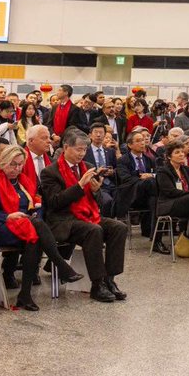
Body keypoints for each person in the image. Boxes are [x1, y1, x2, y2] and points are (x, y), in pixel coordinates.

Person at [0, 145, 84, 311]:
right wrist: (7, 216)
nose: (16, 169)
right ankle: (61, 266)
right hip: (0, 227)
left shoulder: (25, 182)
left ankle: (25, 295)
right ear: (2, 163)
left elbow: (37, 205)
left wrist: (33, 216)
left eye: (19, 165)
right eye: (12, 164)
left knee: (35, 237)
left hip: (25, 226)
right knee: (36, 229)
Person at [39, 129, 129, 303]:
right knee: (93, 230)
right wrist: (79, 186)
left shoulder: (87, 167)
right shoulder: (50, 172)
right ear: (66, 147)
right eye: (78, 149)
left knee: (119, 227)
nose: (82, 153)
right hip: (63, 220)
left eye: (84, 150)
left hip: (87, 215)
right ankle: (97, 284)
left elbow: (98, 202)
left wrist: (95, 191)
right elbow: (55, 202)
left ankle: (109, 279)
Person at [115, 128, 158, 239]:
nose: (143, 143)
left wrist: (150, 176)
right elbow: (125, 179)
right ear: (129, 145)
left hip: (148, 194)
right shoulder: (123, 160)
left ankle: (152, 233)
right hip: (131, 193)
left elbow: (156, 174)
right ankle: (154, 233)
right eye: (138, 140)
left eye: (143, 140)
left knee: (154, 198)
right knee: (151, 184)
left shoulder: (150, 159)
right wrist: (142, 177)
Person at [85, 123, 118, 216]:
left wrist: (112, 172)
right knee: (107, 201)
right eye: (96, 132)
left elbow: (117, 168)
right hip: (95, 185)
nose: (99, 135)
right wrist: (96, 172)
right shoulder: (85, 152)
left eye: (101, 132)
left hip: (111, 184)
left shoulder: (110, 151)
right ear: (90, 135)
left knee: (123, 198)